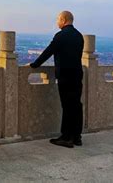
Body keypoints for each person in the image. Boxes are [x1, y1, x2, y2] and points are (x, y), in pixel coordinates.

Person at [29, 11, 84, 148]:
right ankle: (77, 137)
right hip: (77, 75)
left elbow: (48, 52)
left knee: (67, 106)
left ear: (63, 20)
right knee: (76, 106)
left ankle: (66, 137)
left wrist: (34, 65)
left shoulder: (61, 36)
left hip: (65, 76)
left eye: (58, 20)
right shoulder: (79, 36)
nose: (57, 22)